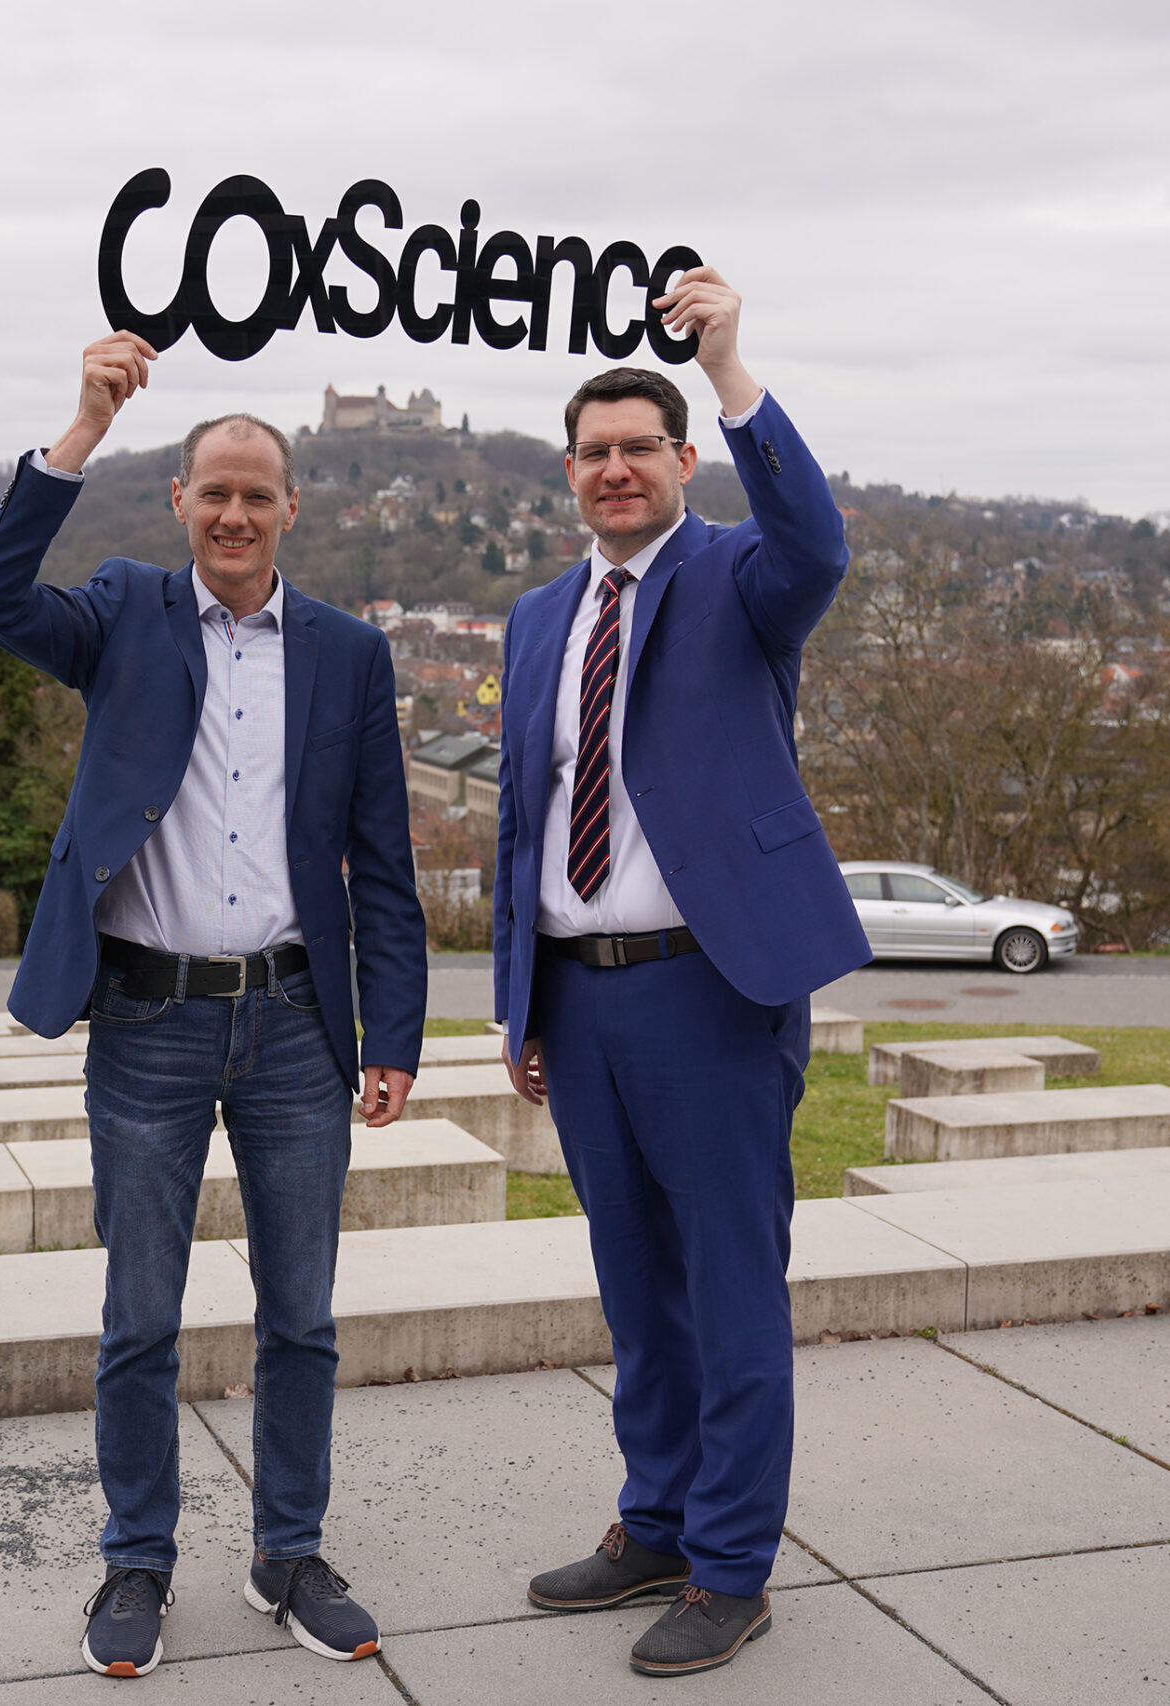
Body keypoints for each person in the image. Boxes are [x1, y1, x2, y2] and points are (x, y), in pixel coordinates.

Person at [0, 332, 428, 1680]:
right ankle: (137, 1561)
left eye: (256, 494)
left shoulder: (348, 654)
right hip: (148, 1023)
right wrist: (82, 425)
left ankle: (288, 1548)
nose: (232, 512)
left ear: (290, 510)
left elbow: (384, 868)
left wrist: (390, 1037)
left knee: (301, 1315)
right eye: (212, 491)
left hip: (292, 1025)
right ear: (181, 503)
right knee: (141, 1317)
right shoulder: (120, 614)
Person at [493, 270, 870, 1678]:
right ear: (571, 473)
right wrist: (520, 1001)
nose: (613, 469)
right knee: (634, 1281)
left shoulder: (742, 578)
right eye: (592, 451)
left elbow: (818, 540)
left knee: (727, 1285)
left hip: (713, 989)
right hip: (581, 1000)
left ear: (681, 458)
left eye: (638, 447)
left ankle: (731, 1564)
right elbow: (525, 815)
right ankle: (652, 1518)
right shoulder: (540, 618)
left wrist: (726, 361)